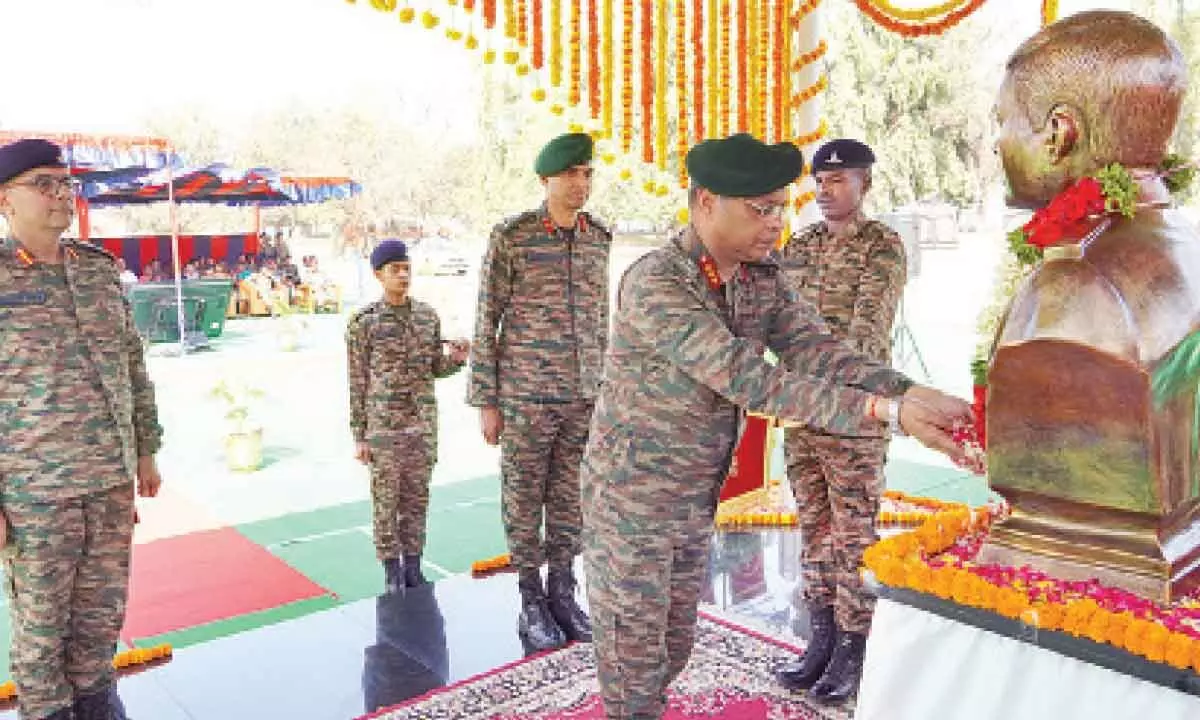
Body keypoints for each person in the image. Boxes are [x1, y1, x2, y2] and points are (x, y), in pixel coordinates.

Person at [579, 133, 973, 720]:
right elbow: (750, 380)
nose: (776, 223)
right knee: (633, 668)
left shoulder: (759, 278)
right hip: (630, 502)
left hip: (691, 499)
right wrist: (886, 413)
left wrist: (911, 390)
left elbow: (819, 350)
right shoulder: (657, 281)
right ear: (707, 202)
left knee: (674, 645)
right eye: (760, 209)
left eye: (782, 207)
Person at [0, 138, 164, 720]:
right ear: (5, 200)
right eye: (42, 184)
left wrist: (146, 447)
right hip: (35, 492)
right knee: (42, 633)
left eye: (64, 183)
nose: (59, 195)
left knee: (101, 618)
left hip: (110, 480)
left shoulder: (97, 271)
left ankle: (97, 704)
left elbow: (131, 364)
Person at [774, 138, 908, 704]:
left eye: (838, 181)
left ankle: (854, 650)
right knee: (814, 530)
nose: (825, 191)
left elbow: (865, 336)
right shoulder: (799, 247)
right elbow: (777, 322)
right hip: (801, 414)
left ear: (864, 184)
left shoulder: (883, 247)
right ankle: (821, 641)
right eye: (820, 182)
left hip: (854, 412)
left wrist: (810, 380)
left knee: (853, 536)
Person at [468, 132, 611, 651]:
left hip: (583, 396)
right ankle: (531, 601)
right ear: (546, 179)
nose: (581, 184)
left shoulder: (599, 237)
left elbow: (602, 321)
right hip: (526, 397)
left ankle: (563, 594)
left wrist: (606, 390)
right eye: (571, 174)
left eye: (587, 174)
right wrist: (487, 399)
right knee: (524, 501)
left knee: (571, 500)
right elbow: (488, 318)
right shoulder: (514, 237)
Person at [346, 239, 469, 593]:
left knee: (417, 499)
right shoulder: (364, 324)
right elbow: (357, 381)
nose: (403, 275)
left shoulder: (427, 316)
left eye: (406, 268)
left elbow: (434, 367)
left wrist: (457, 359)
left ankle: (413, 566)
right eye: (395, 270)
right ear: (378, 275)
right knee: (386, 503)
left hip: (422, 426)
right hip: (384, 429)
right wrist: (359, 435)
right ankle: (391, 571)